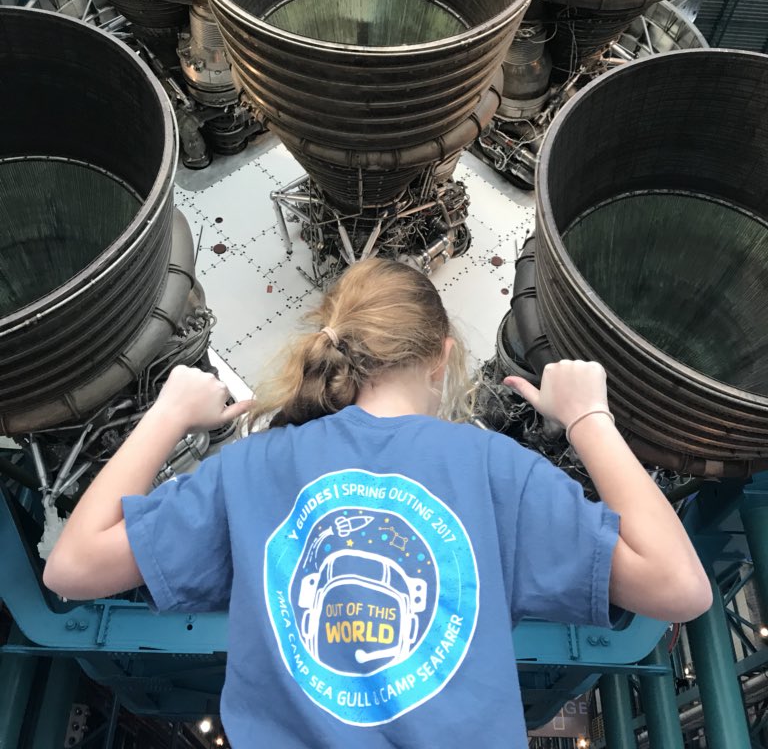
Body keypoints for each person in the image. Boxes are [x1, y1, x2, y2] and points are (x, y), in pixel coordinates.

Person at [44, 258, 711, 748]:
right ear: (441, 356)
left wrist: (167, 415)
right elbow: (680, 588)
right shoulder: (497, 472)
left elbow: (71, 569)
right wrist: (589, 418)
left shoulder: (248, 468)